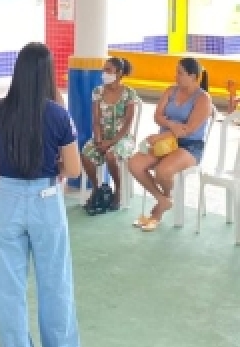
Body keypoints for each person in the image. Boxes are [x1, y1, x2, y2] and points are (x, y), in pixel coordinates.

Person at [0, 42, 82, 347]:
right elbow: (75, 169)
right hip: (47, 198)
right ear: (48, 73)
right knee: (56, 286)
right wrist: (55, 167)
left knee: (8, 291)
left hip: (5, 199)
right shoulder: (58, 115)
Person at [128, 57, 212, 233]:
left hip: (189, 146)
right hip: (165, 143)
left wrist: (162, 133)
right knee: (135, 163)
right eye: (176, 72)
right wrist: (173, 125)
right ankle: (164, 200)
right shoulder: (170, 91)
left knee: (163, 172)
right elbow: (157, 116)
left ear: (193, 76)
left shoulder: (203, 99)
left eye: (180, 73)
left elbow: (188, 130)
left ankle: (160, 207)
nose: (176, 76)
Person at [81, 57, 139, 212]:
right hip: (102, 138)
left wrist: (111, 142)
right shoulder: (98, 92)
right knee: (86, 153)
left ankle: (118, 189)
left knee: (111, 155)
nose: (104, 74)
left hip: (123, 139)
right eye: (103, 70)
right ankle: (96, 187)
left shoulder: (129, 94)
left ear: (119, 73)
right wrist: (99, 140)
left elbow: (127, 125)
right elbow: (96, 120)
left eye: (108, 70)